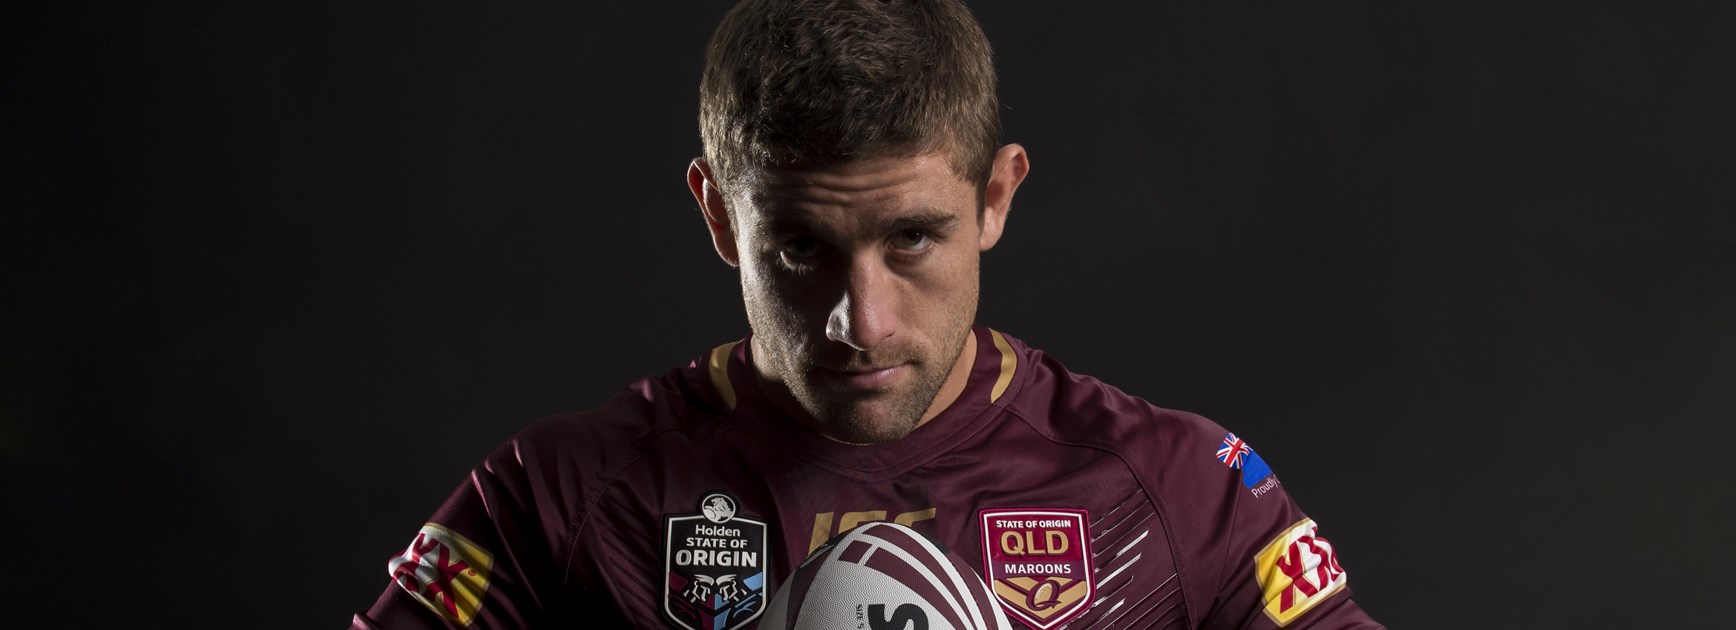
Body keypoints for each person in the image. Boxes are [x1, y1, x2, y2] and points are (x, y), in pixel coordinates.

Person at [355, 0, 1382, 628]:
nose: (862, 321)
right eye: (801, 247)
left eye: (912, 237)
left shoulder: (1182, 493)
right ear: (718, 214)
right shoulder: (560, 497)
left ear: (995, 197)